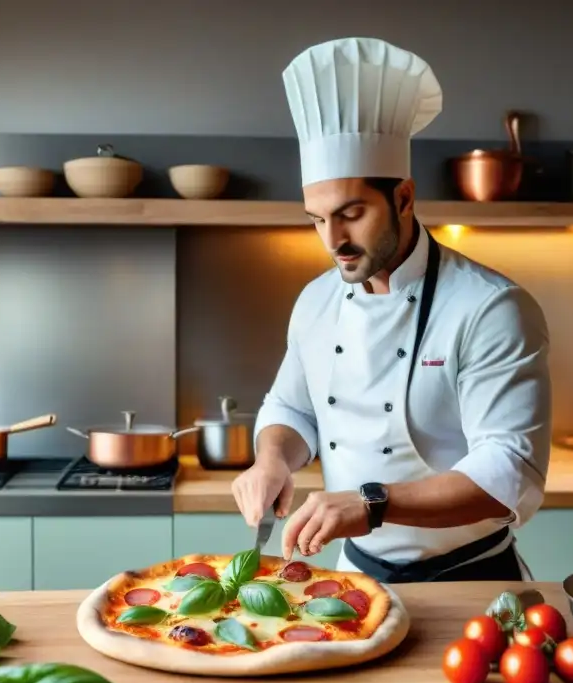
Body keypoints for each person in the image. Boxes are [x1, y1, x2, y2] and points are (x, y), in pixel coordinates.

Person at [230, 37, 552, 583]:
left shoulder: (489, 308)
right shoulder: (316, 301)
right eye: (317, 218)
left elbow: (508, 472)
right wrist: (272, 460)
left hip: (470, 581)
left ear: (403, 197)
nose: (333, 239)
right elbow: (291, 408)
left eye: (351, 213)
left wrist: (371, 503)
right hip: (355, 578)